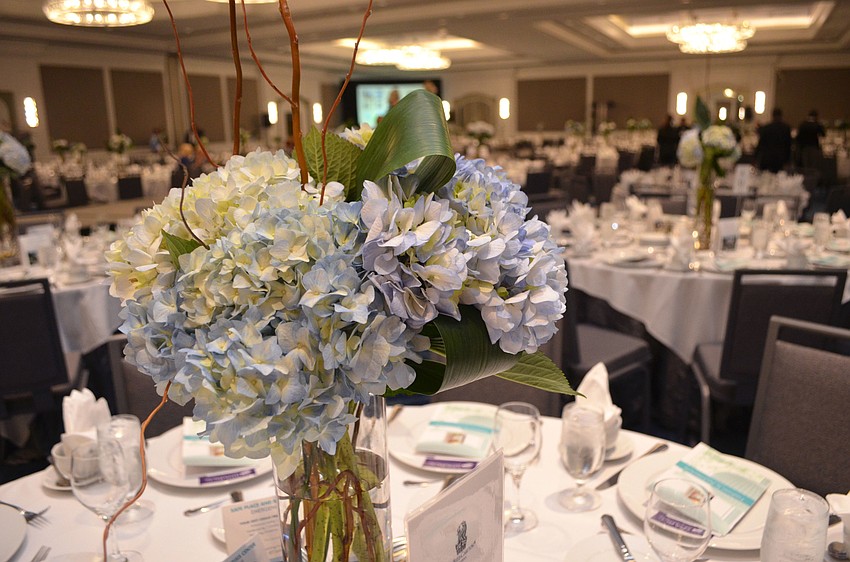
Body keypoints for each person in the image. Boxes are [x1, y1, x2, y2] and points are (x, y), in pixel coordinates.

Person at [754, 108, 792, 173]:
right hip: (780, 158)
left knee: (765, 178)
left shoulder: (766, 128)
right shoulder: (786, 128)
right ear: (781, 116)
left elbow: (761, 144)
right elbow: (788, 145)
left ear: (772, 115)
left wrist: (756, 157)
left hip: (767, 158)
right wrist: (787, 160)